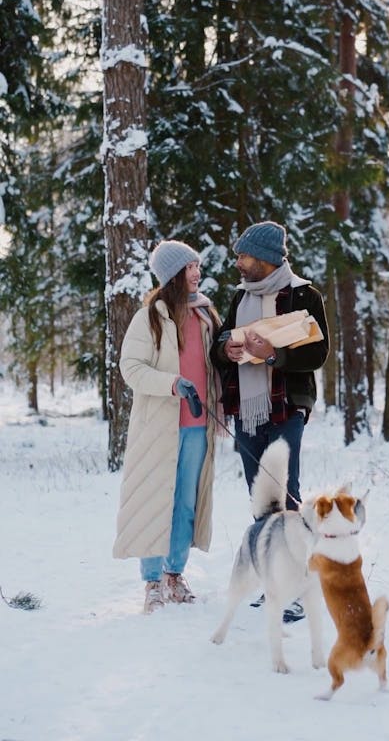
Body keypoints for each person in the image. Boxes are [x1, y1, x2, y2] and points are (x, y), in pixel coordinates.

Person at [113, 239, 222, 615]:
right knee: (155, 499)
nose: (198, 272)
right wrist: (172, 384)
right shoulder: (150, 318)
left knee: (186, 503)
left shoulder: (206, 315)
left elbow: (219, 361)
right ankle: (152, 582)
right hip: (160, 426)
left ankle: (174, 574)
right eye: (191, 267)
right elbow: (131, 368)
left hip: (198, 424)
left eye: (197, 266)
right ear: (174, 274)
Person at [211, 220, 329, 513]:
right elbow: (218, 346)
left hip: (287, 407)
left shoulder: (305, 296)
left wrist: (274, 355)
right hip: (246, 412)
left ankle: (293, 557)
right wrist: (226, 349)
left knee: (286, 493)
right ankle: (267, 556)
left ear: (264, 258)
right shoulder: (240, 298)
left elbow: (318, 353)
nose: (237, 263)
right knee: (259, 495)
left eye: (243, 257)